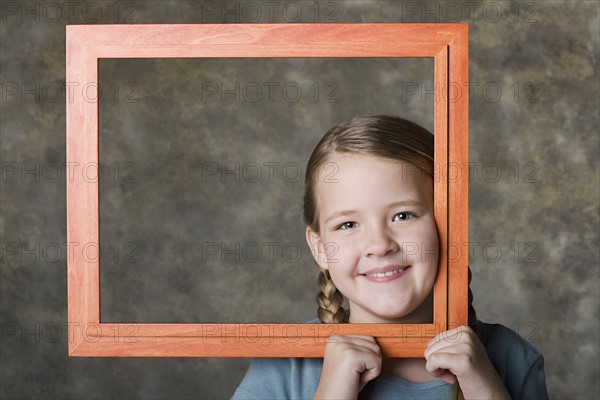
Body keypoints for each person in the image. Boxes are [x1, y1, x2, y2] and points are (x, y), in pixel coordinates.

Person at [231, 115, 549, 400]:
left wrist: (488, 391)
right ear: (319, 247)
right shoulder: (285, 366)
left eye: (403, 216)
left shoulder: (509, 358)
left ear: (449, 226)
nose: (379, 245)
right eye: (348, 224)